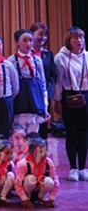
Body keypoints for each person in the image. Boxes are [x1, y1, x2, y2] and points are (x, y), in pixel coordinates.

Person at [53, 25, 88, 181]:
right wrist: (57, 100)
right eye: (75, 38)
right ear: (69, 40)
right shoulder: (61, 58)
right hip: (69, 97)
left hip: (85, 96)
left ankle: (82, 168)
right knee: (72, 133)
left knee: (84, 134)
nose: (79, 40)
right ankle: (73, 168)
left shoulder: (87, 56)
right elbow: (58, 82)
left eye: (81, 37)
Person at [13, 29, 50, 134]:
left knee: (33, 137)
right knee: (19, 137)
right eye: (24, 40)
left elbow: (43, 84)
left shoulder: (37, 60)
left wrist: (45, 106)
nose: (28, 43)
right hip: (20, 106)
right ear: (17, 42)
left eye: (30, 40)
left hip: (35, 104)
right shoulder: (11, 61)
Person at [30, 22, 57, 138]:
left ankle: (42, 149)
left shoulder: (48, 54)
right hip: (30, 96)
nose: (43, 38)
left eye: (45, 35)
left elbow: (52, 75)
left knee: (43, 128)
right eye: (40, 34)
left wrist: (49, 92)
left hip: (44, 96)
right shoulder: (25, 54)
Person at [15, 135, 58, 207]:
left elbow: (55, 181)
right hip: (27, 188)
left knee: (49, 181)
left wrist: (52, 198)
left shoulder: (49, 162)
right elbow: (18, 184)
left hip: (39, 188)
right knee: (30, 179)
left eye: (45, 151)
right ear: (31, 152)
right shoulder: (23, 164)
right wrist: (24, 199)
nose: (43, 154)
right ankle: (28, 197)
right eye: (40, 152)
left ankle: (41, 197)